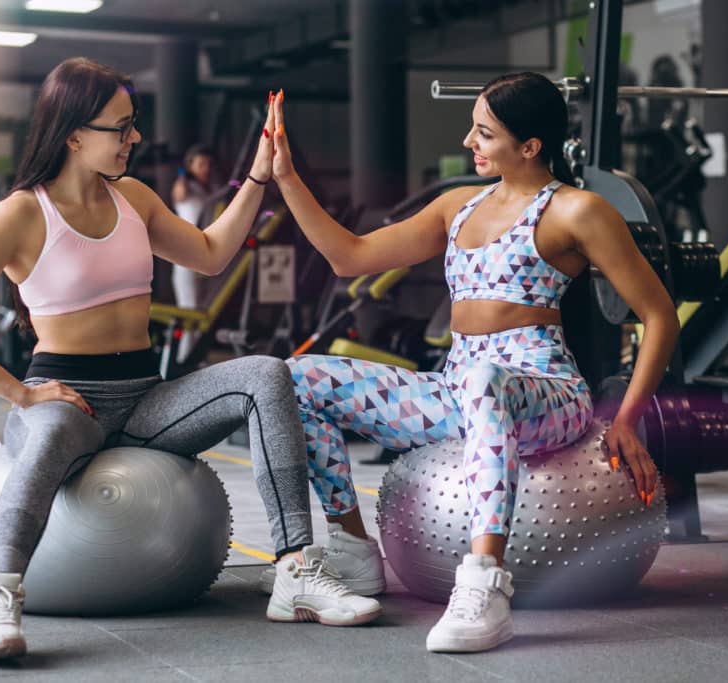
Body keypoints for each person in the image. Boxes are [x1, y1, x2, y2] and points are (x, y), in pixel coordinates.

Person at [0, 58, 381, 662]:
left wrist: (258, 179)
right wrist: (21, 395)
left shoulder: (134, 197)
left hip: (143, 396)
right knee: (54, 427)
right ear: (74, 134)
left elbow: (212, 254)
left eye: (133, 124)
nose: (134, 138)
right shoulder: (22, 213)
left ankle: (295, 570)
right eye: (121, 126)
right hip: (65, 397)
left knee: (266, 374)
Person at [265, 72, 680, 653]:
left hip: (544, 388)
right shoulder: (457, 207)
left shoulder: (576, 211)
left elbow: (659, 315)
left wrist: (630, 418)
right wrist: (285, 177)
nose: (469, 142)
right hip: (459, 384)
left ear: (530, 146)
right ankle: (354, 547)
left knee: (486, 381)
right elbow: (347, 256)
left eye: (484, 133)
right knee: (297, 377)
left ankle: (485, 584)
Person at [170, 144, 219, 363]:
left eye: (207, 164)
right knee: (189, 308)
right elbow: (179, 194)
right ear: (190, 165)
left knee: (203, 309)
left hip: (204, 250)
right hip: (184, 252)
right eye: (200, 164)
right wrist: (182, 175)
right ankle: (183, 359)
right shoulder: (184, 186)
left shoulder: (209, 189)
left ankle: (197, 358)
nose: (205, 168)